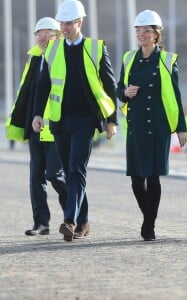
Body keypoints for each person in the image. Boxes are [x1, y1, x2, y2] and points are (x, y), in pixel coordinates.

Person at [32, 0, 117, 242]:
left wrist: (112, 120)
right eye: (62, 23)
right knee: (71, 174)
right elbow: (43, 85)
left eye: (68, 23)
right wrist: (38, 114)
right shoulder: (53, 49)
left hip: (86, 120)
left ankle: (69, 220)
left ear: (79, 22)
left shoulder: (96, 48)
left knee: (76, 168)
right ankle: (83, 221)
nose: (65, 27)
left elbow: (109, 86)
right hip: (60, 120)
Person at [116, 10, 187, 241]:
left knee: (153, 177)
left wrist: (181, 128)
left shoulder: (167, 60)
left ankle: (149, 225)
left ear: (157, 34)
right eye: (138, 30)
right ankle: (149, 215)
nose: (142, 34)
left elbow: (176, 95)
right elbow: (118, 88)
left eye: (147, 31)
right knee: (136, 180)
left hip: (158, 126)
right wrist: (124, 93)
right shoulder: (128, 58)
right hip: (135, 125)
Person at [5, 17, 67, 236]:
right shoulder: (33, 59)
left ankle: (73, 213)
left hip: (55, 128)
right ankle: (41, 223)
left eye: (48, 33)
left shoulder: (62, 58)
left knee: (54, 174)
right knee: (35, 177)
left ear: (57, 36)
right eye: (39, 34)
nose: (42, 38)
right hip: (35, 128)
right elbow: (26, 93)